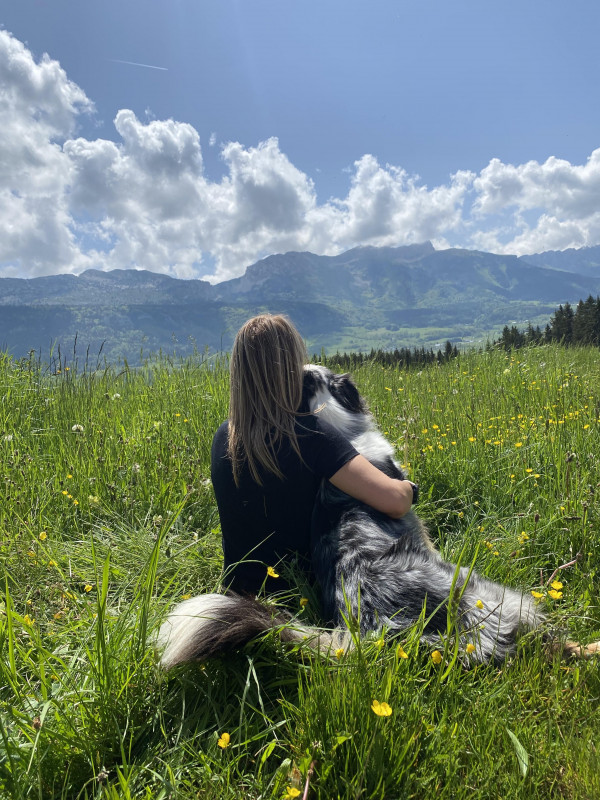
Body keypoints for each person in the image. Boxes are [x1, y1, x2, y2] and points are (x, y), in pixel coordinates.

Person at [210, 314, 416, 596]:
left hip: (237, 592)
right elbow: (395, 501)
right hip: (297, 594)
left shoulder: (224, 435)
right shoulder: (310, 434)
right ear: (293, 367)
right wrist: (408, 487)